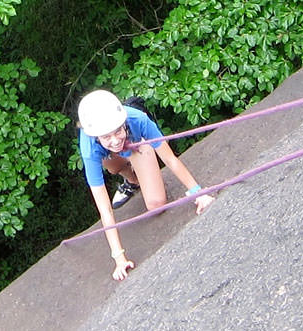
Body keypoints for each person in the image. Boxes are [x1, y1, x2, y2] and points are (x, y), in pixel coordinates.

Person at [78, 90, 215, 281]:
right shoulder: (89, 148)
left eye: (118, 131)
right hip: (111, 156)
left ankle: (140, 169)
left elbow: (170, 159)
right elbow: (105, 209)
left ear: (123, 123)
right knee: (111, 165)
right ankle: (133, 180)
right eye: (106, 136)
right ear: (96, 137)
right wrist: (119, 257)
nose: (115, 139)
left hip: (137, 145)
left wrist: (198, 192)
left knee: (156, 205)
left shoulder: (138, 120)